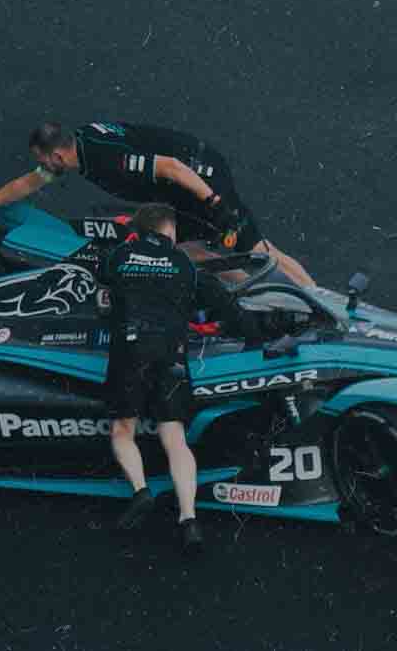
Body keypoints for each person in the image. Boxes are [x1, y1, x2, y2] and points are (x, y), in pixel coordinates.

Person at [102, 204, 299, 551]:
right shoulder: (185, 266)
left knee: (122, 430)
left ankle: (141, 491)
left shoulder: (119, 255)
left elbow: (100, 278)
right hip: (172, 354)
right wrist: (259, 337)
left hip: (129, 350)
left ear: (138, 228)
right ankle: (189, 518)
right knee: (175, 436)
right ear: (170, 231)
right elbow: (226, 307)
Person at [0, 121, 315, 286]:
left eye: (43, 161)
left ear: (56, 154)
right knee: (178, 249)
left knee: (258, 247)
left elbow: (170, 167)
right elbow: (28, 183)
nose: (43, 168)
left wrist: (215, 202)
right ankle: (249, 289)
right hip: (180, 185)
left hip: (197, 179)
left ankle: (318, 301)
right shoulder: (78, 145)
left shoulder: (103, 158)